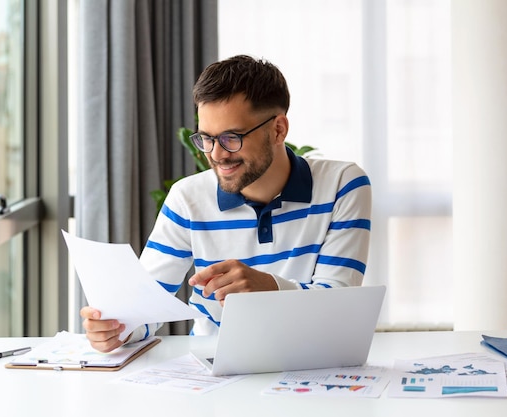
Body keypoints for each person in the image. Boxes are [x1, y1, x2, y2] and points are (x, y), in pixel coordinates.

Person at [81, 55, 372, 352]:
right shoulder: (187, 198)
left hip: (313, 360)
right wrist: (117, 329)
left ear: (278, 130)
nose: (216, 154)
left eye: (231, 138)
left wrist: (268, 287)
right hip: (214, 367)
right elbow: (145, 307)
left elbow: (339, 304)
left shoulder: (343, 184)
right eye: (207, 138)